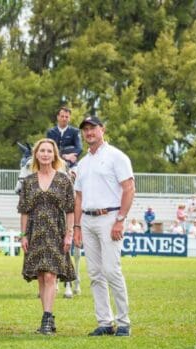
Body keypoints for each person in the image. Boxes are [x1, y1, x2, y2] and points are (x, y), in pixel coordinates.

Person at [73, 115, 135, 337]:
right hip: (87, 220)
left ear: (102, 130)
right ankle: (105, 322)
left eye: (93, 128)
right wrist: (77, 227)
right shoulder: (83, 162)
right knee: (94, 273)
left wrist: (120, 219)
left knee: (111, 270)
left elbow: (128, 188)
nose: (89, 132)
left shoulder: (116, 157)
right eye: (85, 129)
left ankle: (124, 322)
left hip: (110, 217)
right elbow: (78, 197)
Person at [17, 138, 76, 336]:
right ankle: (47, 317)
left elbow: (70, 210)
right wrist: (23, 235)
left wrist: (69, 235)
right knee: (41, 276)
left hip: (55, 232)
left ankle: (47, 318)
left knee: (51, 275)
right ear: (36, 154)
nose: (45, 154)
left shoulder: (63, 180)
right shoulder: (29, 181)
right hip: (34, 233)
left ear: (54, 155)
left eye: (49, 151)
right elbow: (24, 210)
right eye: (41, 151)